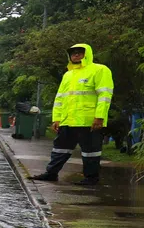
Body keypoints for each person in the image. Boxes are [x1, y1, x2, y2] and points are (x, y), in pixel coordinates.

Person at [30, 43, 113, 186]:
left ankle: (91, 179)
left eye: (79, 52)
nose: (75, 54)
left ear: (87, 54)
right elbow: (60, 98)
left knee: (90, 152)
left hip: (89, 121)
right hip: (68, 120)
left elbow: (104, 96)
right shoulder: (68, 75)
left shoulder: (99, 70)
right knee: (59, 149)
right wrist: (56, 119)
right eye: (73, 52)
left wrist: (99, 117)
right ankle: (51, 173)